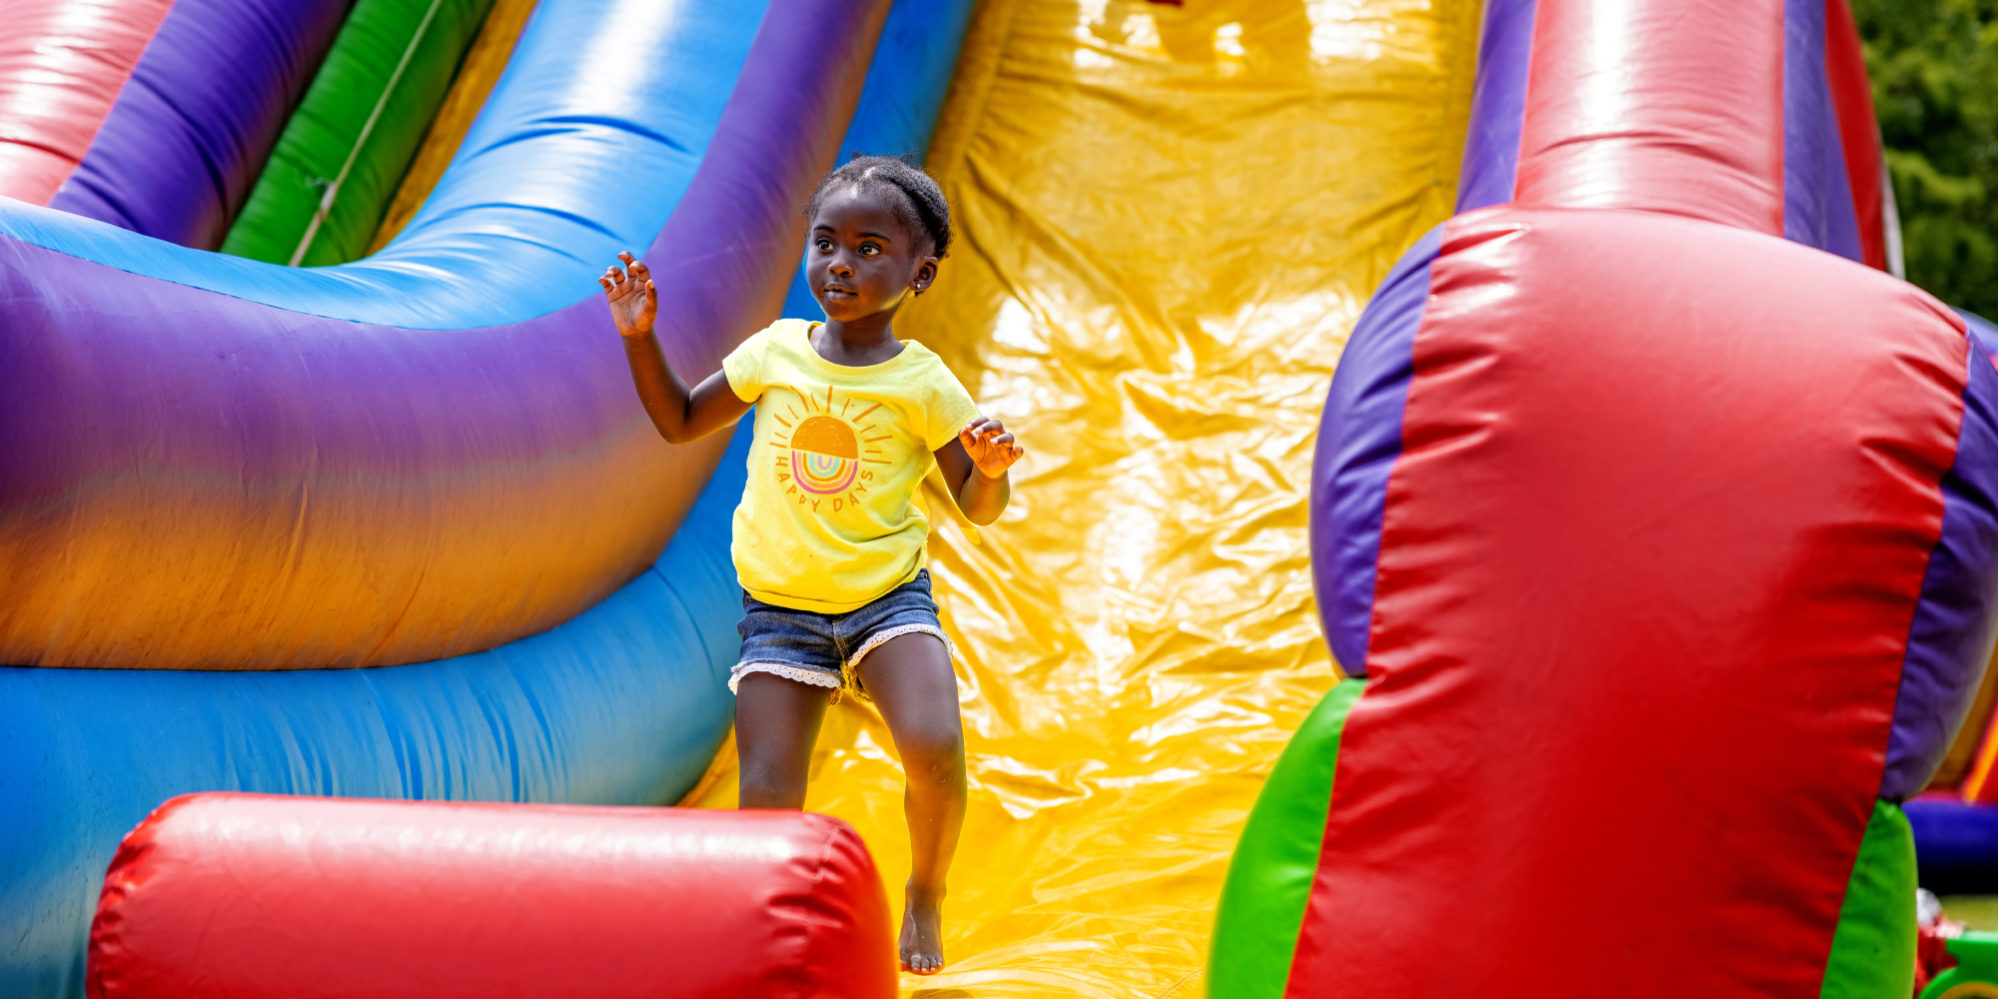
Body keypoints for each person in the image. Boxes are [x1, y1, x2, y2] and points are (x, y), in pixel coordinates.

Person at [598, 155, 1022, 974]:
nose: (841, 263)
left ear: (919, 272)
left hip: (884, 598)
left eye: (870, 249)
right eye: (827, 243)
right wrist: (640, 339)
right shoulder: (776, 350)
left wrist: (993, 470)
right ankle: (772, 936)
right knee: (765, 799)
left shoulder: (922, 383)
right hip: (781, 609)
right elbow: (681, 419)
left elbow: (976, 503)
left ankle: (925, 892)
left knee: (934, 743)